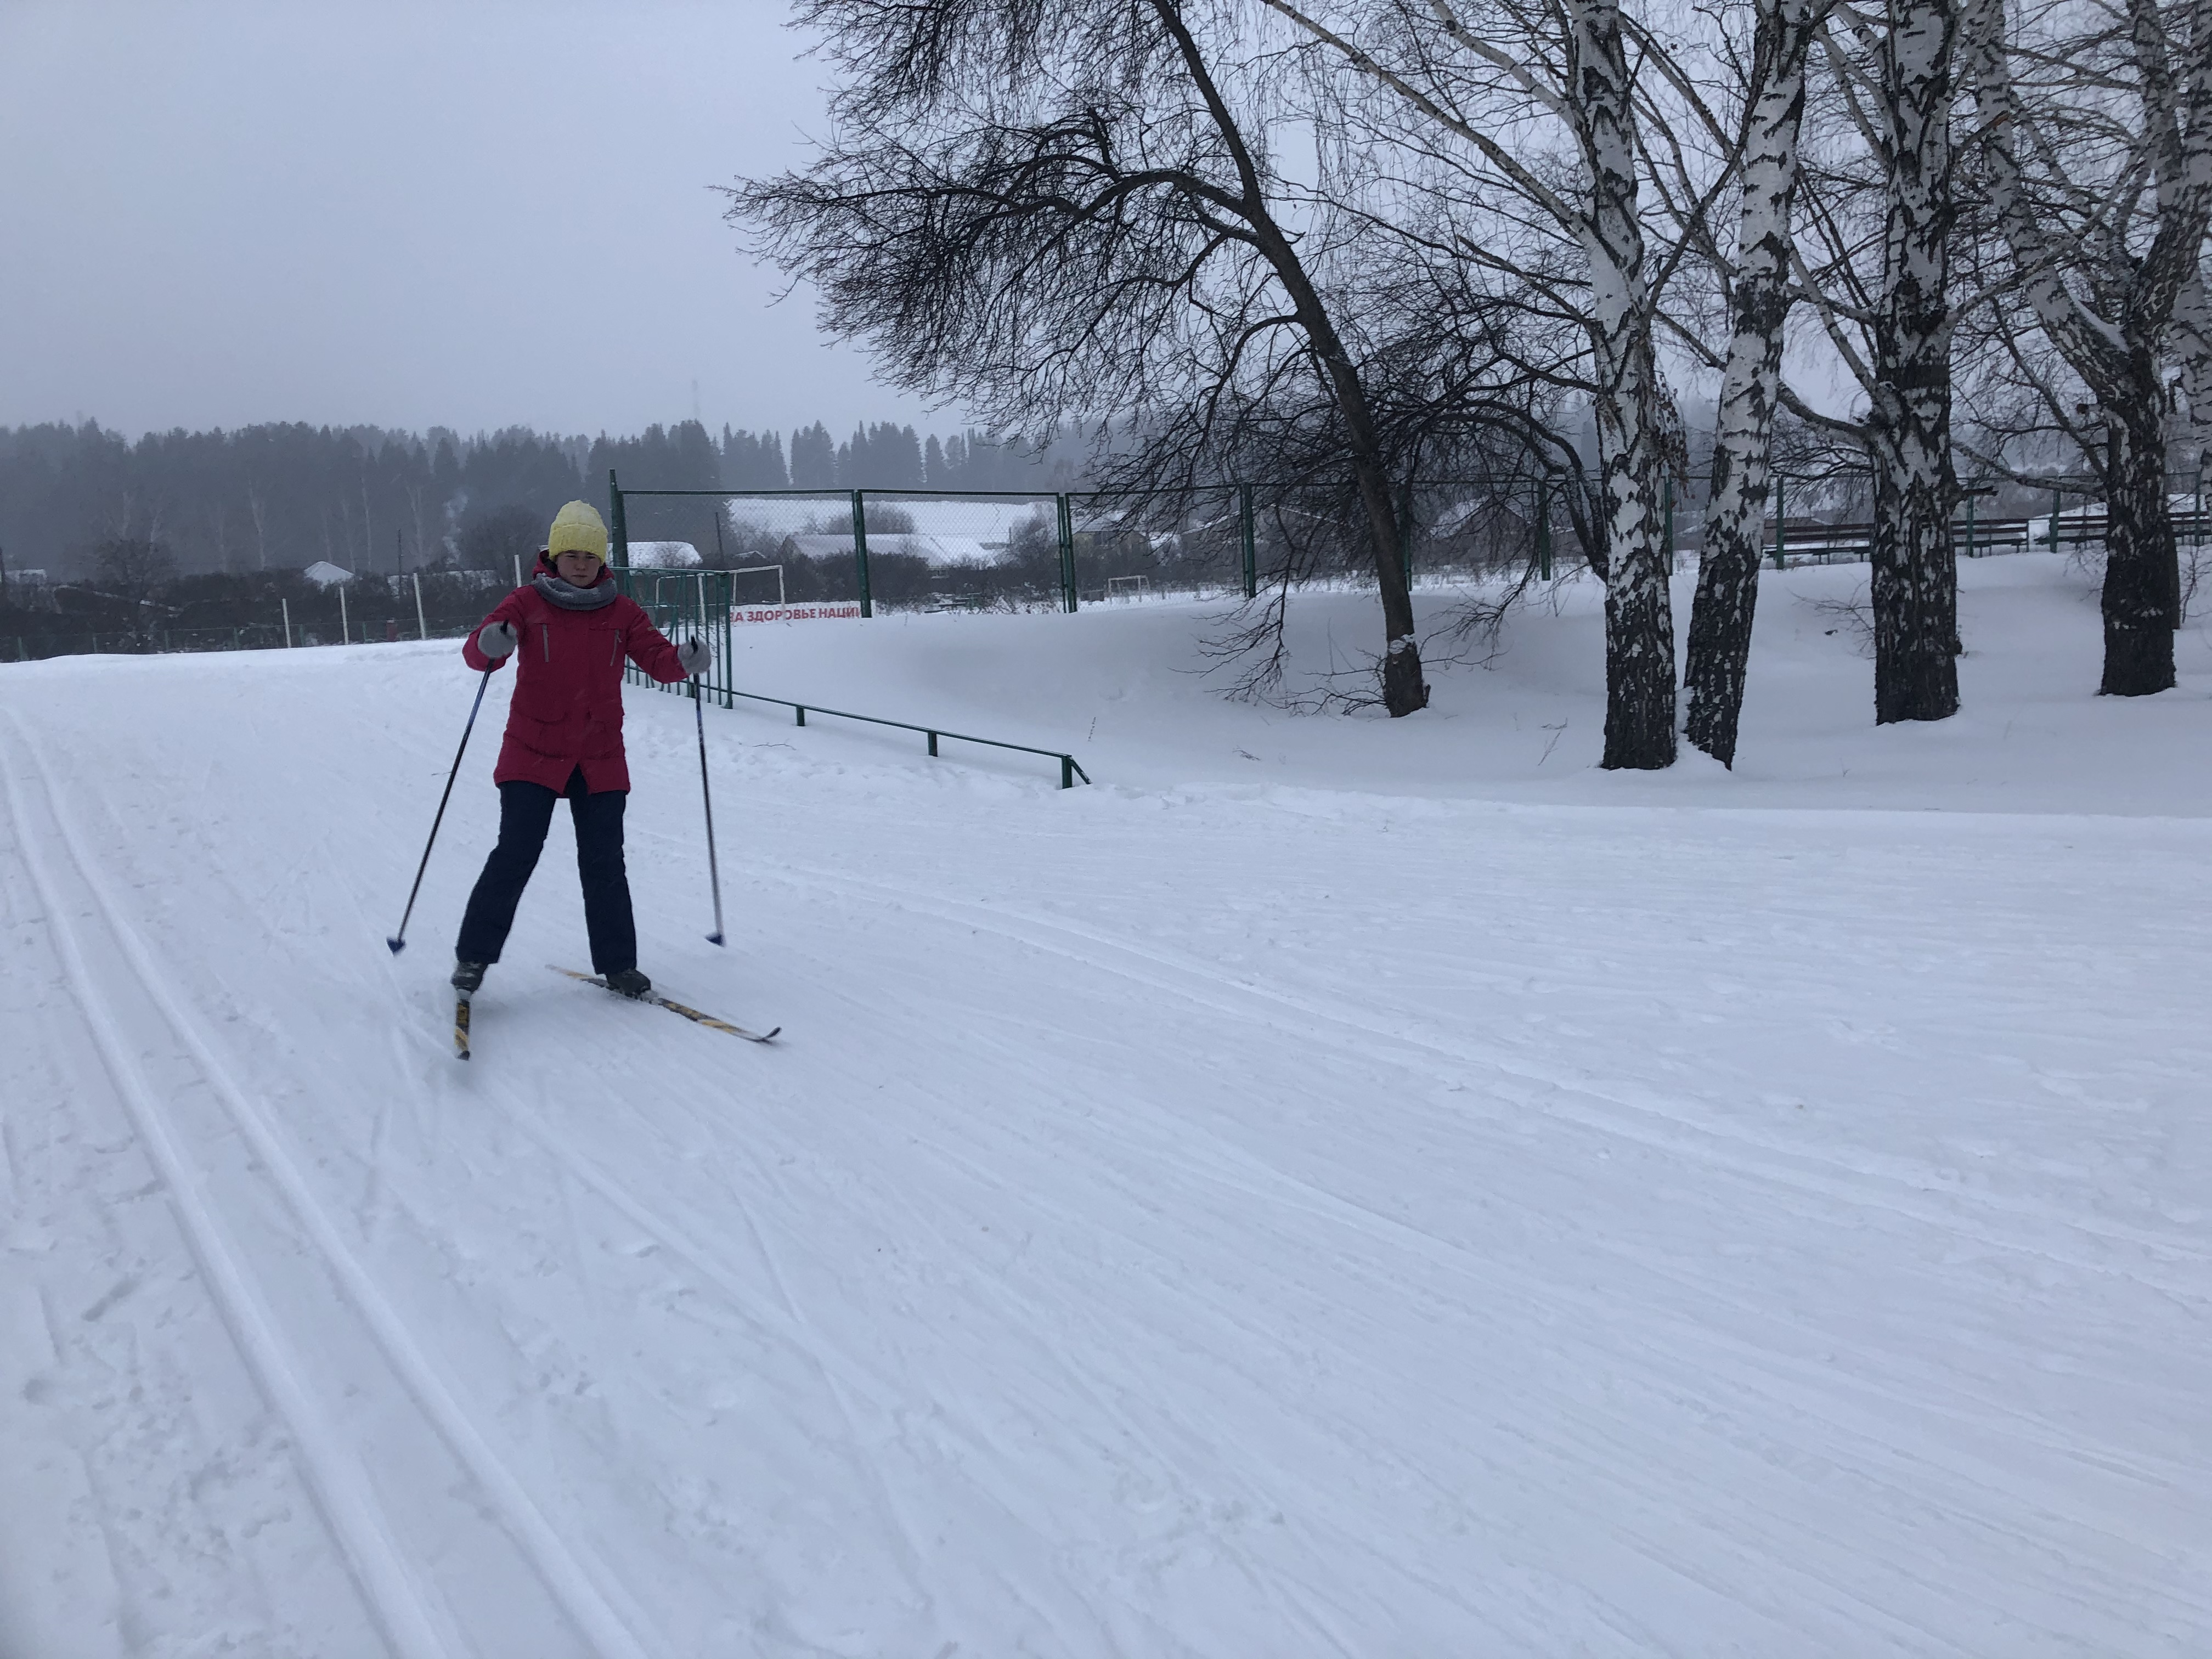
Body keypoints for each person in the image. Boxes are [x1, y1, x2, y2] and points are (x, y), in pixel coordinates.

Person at [450, 501, 709, 998]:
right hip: (532, 750)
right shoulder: (526, 602)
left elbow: (657, 659)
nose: (582, 564)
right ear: (554, 556)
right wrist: (490, 643)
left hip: (598, 756)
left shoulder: (622, 611)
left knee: (605, 862)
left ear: (602, 559)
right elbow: (477, 653)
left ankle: (619, 965)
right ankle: (474, 957)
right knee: (516, 853)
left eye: (590, 555)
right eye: (572, 554)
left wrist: (685, 659)